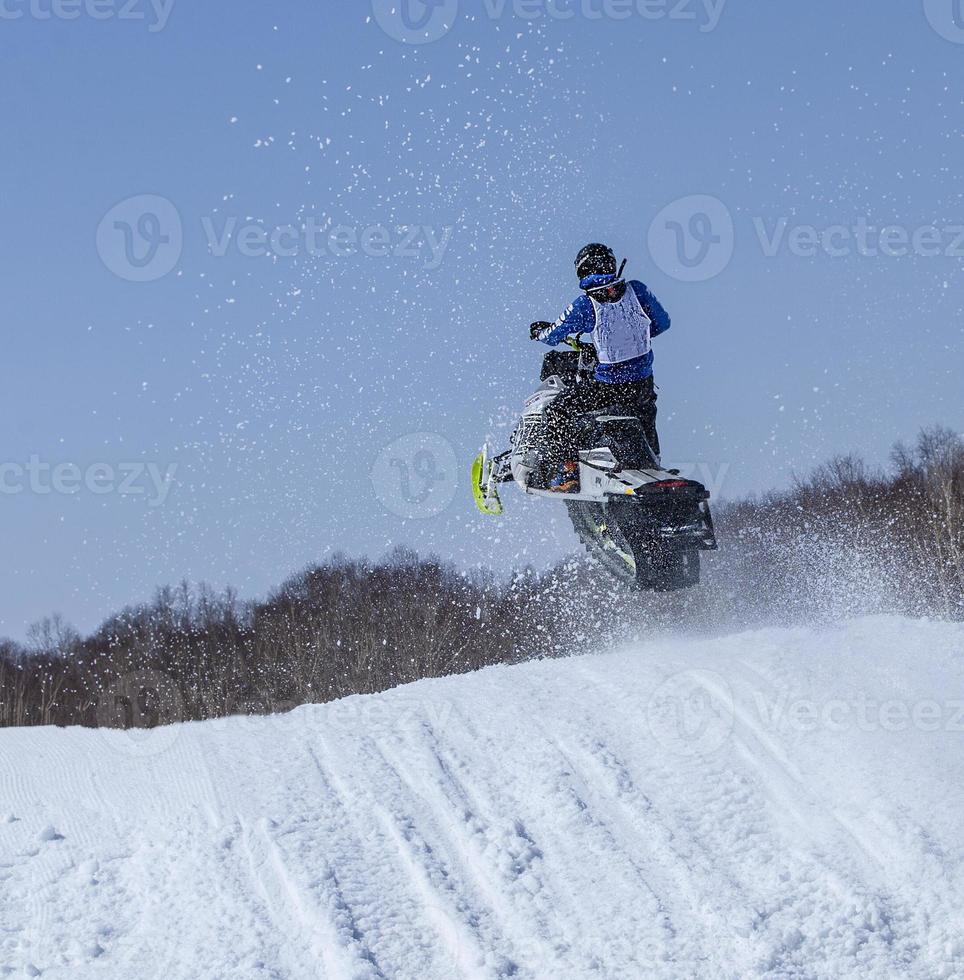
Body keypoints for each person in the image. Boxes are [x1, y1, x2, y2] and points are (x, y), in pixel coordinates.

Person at [530, 243, 671, 493]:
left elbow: (553, 336)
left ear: (582, 272)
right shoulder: (638, 290)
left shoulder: (585, 305)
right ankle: (654, 466)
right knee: (645, 419)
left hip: (608, 388)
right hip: (643, 385)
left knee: (557, 411)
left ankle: (566, 470)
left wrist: (539, 331)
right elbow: (662, 323)